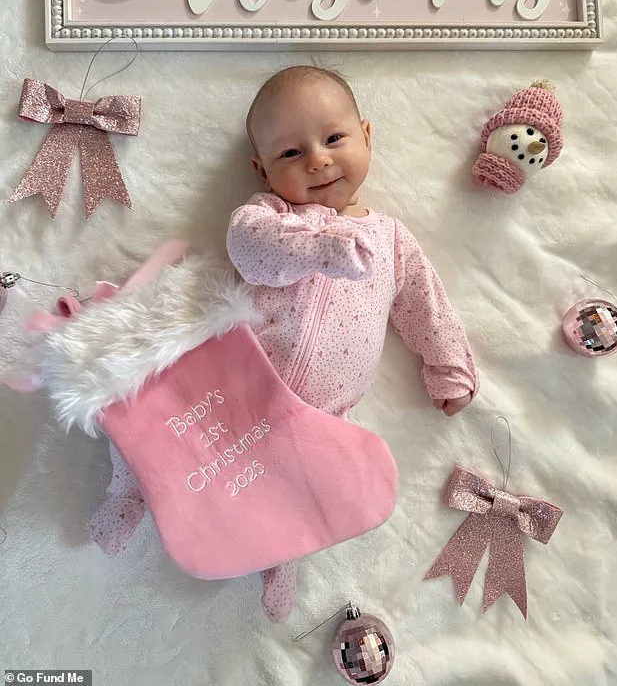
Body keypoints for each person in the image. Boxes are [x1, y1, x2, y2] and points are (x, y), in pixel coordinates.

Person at [91, 65, 479, 623]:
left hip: (321, 413)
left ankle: (282, 556)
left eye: (334, 138)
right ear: (263, 169)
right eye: (291, 153)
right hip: (236, 386)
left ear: (367, 136)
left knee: (309, 485)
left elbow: (426, 304)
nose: (318, 160)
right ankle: (128, 492)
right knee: (161, 420)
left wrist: (449, 366)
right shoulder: (266, 216)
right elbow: (251, 253)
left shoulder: (391, 239)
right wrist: (320, 248)